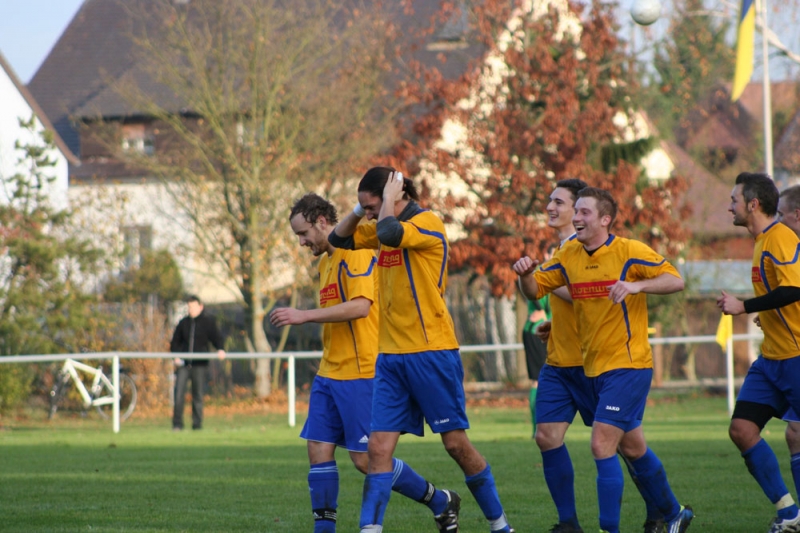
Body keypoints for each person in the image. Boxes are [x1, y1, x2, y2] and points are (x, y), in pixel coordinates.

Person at [329, 167, 515, 533]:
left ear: (395, 195)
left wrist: (385, 202)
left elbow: (389, 232)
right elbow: (338, 239)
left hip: (431, 352)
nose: (369, 216)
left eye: (372, 207)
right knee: (378, 450)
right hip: (390, 358)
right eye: (366, 209)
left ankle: (500, 525)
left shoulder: (427, 223)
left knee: (456, 445)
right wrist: (361, 208)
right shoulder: (380, 223)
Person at [268, 193, 460, 533]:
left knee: (365, 460)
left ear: (322, 223)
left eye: (303, 233)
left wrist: (304, 315)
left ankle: (439, 501)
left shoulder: (354, 254)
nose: (301, 242)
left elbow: (361, 306)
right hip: (329, 372)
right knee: (318, 451)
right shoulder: (325, 263)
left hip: (361, 372)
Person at [513, 187, 693, 533]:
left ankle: (612, 528)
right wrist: (524, 275)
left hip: (628, 365)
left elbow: (675, 280)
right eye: (576, 211)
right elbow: (536, 289)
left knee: (602, 444)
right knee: (631, 446)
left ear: (605, 219)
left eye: (583, 212)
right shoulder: (568, 254)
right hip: (592, 367)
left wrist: (637, 286)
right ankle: (672, 514)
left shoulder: (628, 250)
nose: (576, 217)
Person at [717, 173, 800, 532]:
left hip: (796, 356)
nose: (729, 207)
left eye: (733, 200)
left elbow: (794, 288)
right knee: (742, 429)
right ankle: (790, 514)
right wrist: (765, 316)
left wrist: (745, 306)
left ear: (753, 204)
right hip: (771, 360)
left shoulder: (780, 236)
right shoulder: (761, 241)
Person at [170, 295, 226, 431]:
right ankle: (177, 424)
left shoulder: (208, 322)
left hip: (200, 365)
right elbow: (175, 341)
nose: (191, 309)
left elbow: (216, 338)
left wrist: (220, 349)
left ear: (200, 307)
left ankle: (197, 425)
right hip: (184, 365)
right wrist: (176, 356)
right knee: (179, 395)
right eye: (189, 307)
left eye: (193, 307)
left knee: (198, 396)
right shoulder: (183, 323)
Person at [522, 246, 552, 436]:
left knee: (543, 381)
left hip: (542, 330)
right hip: (538, 331)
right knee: (539, 381)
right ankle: (537, 428)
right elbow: (539, 302)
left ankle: (540, 427)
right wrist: (545, 314)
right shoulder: (543, 274)